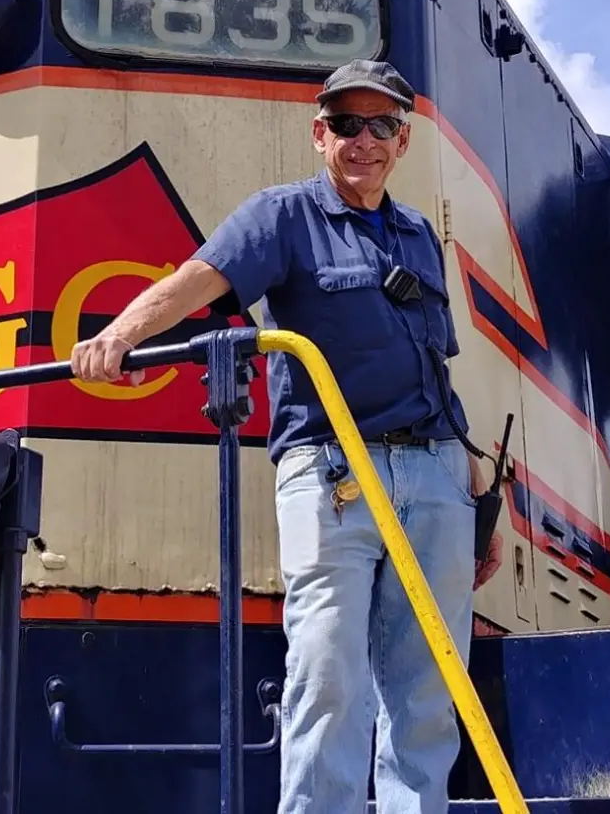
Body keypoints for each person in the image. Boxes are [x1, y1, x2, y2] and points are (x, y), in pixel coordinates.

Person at [70, 58, 503, 814]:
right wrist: (118, 334)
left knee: (430, 687)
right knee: (328, 673)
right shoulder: (280, 217)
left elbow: (436, 368)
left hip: (435, 474)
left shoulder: (418, 237)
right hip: (333, 474)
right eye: (345, 124)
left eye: (381, 126)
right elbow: (196, 279)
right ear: (318, 134)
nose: (362, 140)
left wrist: (474, 481)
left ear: (402, 143)